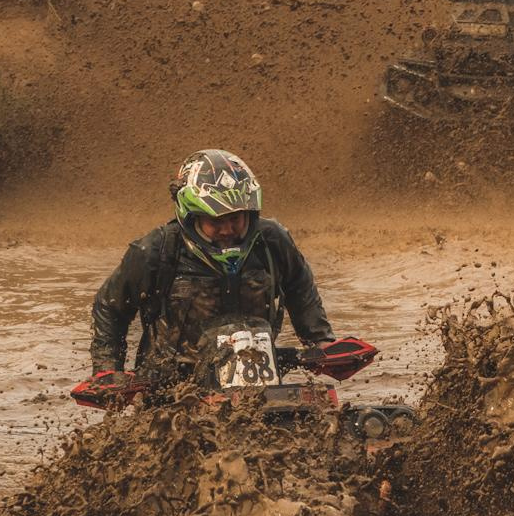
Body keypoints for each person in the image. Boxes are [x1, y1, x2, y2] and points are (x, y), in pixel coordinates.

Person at [90, 150, 333, 384]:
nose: (227, 230)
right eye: (216, 221)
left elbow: (300, 289)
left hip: (259, 382)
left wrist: (320, 342)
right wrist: (107, 370)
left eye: (235, 219)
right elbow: (109, 307)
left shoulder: (273, 241)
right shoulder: (155, 250)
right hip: (171, 389)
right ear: (192, 216)